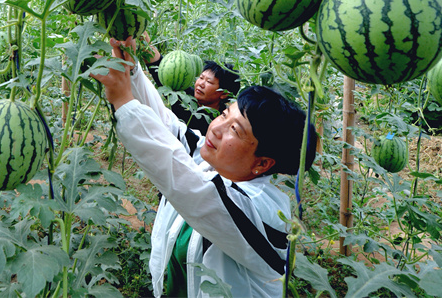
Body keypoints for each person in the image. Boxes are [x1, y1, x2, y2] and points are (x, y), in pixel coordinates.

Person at [94, 37, 317, 298]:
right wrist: (132, 71)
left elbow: (189, 186)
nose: (218, 128)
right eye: (225, 115)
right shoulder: (217, 166)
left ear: (263, 163)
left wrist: (124, 102)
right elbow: (169, 127)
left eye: (235, 129)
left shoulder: (263, 211)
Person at [143, 34, 241, 132]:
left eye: (209, 82)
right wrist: (142, 36)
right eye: (201, 77)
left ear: (224, 93)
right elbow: (156, 64)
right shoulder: (184, 96)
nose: (201, 84)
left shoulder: (221, 121)